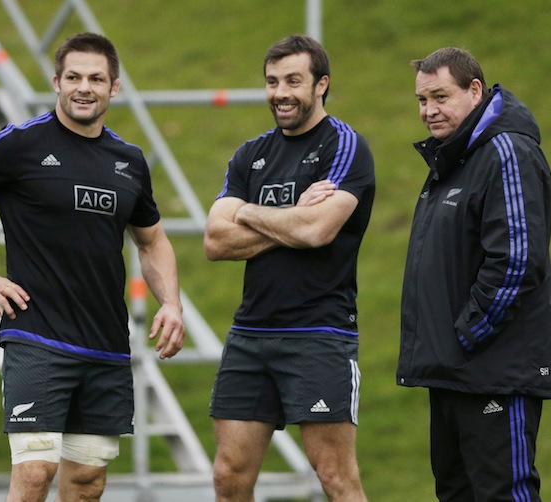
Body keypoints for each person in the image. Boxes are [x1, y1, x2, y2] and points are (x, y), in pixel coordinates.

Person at [0, 32, 185, 502]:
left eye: (96, 79)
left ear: (114, 87)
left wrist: (172, 304)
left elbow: (152, 239)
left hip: (105, 344)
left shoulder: (129, 161)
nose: (84, 87)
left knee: (87, 483)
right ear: (56, 82)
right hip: (37, 337)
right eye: (73, 77)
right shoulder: (21, 143)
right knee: (36, 471)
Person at [204, 34, 375, 501]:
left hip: (319, 333)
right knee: (228, 477)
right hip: (250, 335)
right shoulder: (250, 154)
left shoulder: (345, 146)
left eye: (293, 81)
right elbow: (215, 241)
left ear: (321, 85)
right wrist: (292, 214)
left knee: (335, 477)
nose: (280, 93)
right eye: (272, 81)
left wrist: (248, 211)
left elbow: (317, 231)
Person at [398, 47, 551, 501]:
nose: (429, 110)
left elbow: (517, 260)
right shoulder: (454, 158)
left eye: (440, 97)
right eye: (422, 100)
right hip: (455, 370)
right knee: (457, 494)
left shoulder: (506, 152)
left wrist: (469, 334)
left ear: (475, 90)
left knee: (502, 494)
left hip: (494, 369)